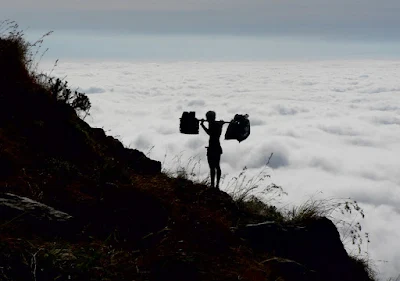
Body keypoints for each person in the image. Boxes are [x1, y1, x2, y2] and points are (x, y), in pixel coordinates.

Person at [200, 111, 228, 189]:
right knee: (215, 167)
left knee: (214, 167)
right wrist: (221, 125)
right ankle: (215, 185)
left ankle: (214, 185)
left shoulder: (213, 124)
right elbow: (214, 133)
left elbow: (211, 133)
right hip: (216, 148)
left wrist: (202, 125)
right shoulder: (215, 124)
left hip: (213, 148)